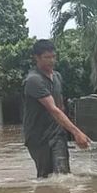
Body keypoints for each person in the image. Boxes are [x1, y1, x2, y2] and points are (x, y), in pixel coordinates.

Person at [23, 39, 90, 178]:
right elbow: (53, 109)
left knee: (63, 176)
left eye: (54, 56)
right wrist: (77, 133)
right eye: (47, 57)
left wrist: (71, 131)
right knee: (46, 177)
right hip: (38, 137)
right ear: (37, 57)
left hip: (57, 134)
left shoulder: (57, 76)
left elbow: (61, 106)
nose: (52, 60)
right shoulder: (34, 80)